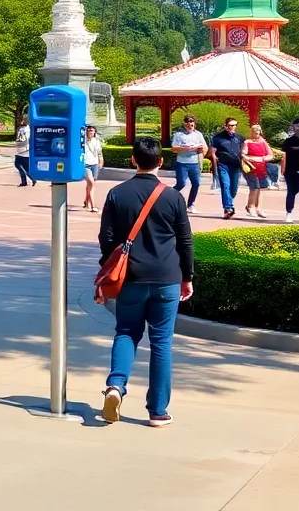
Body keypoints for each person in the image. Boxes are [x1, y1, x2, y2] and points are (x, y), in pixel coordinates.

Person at [98, 137, 194, 428]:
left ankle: (116, 385)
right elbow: (185, 240)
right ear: (161, 162)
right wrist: (187, 277)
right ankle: (157, 410)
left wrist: (108, 270)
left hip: (130, 278)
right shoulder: (173, 197)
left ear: (132, 160)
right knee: (162, 342)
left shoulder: (117, 193)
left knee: (126, 332)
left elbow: (107, 239)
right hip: (166, 277)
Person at [208, 117, 246, 219]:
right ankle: (228, 208)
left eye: (235, 125)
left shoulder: (240, 138)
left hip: (236, 165)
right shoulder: (218, 138)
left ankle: (228, 202)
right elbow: (213, 152)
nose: (233, 127)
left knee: (233, 189)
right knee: (225, 185)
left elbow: (244, 150)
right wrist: (214, 163)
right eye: (231, 125)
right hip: (223, 165)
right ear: (226, 126)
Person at [169, 115, 206, 212]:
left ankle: (191, 204)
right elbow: (174, 148)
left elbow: (204, 147)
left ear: (195, 124)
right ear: (184, 124)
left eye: (192, 124)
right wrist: (186, 148)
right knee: (181, 183)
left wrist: (201, 150)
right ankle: (168, 196)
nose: (190, 126)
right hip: (182, 162)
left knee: (196, 183)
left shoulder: (198, 134)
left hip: (195, 163)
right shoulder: (179, 134)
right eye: (188, 124)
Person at [242, 124, 276, 217]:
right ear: (251, 132)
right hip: (251, 168)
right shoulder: (247, 142)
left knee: (261, 188)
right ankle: (250, 206)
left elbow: (270, 154)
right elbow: (243, 154)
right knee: (254, 187)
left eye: (258, 132)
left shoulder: (263, 142)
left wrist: (264, 159)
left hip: (261, 167)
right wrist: (248, 158)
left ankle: (259, 208)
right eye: (255, 132)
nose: (257, 134)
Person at [83, 125, 105, 212]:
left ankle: (86, 201)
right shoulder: (83, 141)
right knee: (91, 183)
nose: (91, 132)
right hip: (86, 164)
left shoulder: (96, 142)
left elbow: (100, 152)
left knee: (90, 184)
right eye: (89, 130)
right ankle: (93, 206)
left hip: (94, 163)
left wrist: (101, 161)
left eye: (92, 131)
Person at [14, 117, 36, 187]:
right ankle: (26, 181)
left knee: (17, 164)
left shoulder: (22, 129)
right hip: (27, 149)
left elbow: (21, 139)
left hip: (22, 149)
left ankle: (30, 179)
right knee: (26, 167)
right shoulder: (30, 128)